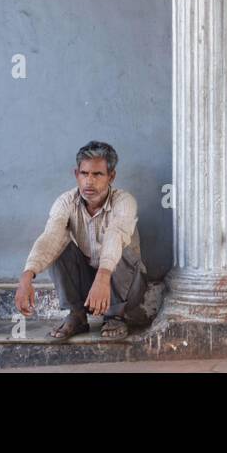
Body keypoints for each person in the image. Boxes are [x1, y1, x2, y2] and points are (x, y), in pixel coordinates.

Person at [15, 141, 149, 340]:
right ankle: (77, 316)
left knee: (121, 247)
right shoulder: (66, 202)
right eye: (84, 174)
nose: (89, 182)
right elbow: (50, 237)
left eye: (97, 174)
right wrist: (27, 276)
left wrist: (103, 276)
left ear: (111, 176)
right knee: (59, 247)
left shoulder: (124, 201)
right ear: (76, 174)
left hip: (126, 285)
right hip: (90, 282)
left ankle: (115, 317)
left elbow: (115, 234)